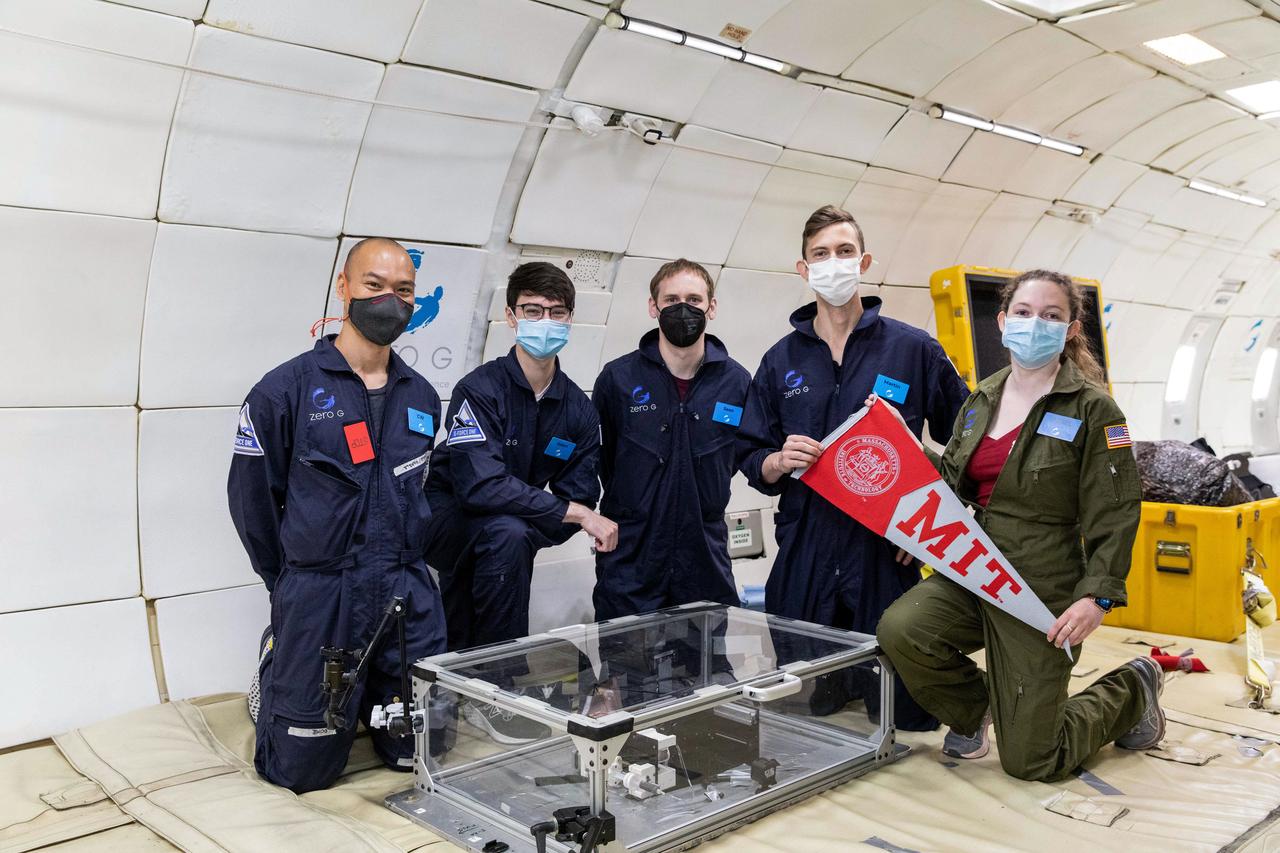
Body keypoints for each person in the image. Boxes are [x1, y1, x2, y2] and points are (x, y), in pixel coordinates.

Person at [876, 268, 1163, 781]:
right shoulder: (981, 398)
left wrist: (1096, 596)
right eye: (1026, 313)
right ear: (1004, 322)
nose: (1037, 325)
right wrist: (904, 445)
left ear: (1071, 329)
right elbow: (955, 480)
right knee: (902, 631)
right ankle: (978, 710)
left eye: (1052, 316)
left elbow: (1116, 510)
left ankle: (1134, 688)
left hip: (1040, 586)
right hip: (975, 567)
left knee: (1033, 761)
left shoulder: (1096, 411)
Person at [737, 205, 970, 729]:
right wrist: (775, 460)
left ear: (864, 261)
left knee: (906, 712)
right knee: (808, 708)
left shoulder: (913, 349)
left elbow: (966, 442)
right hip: (807, 543)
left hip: (887, 547)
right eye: (821, 254)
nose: (834, 263)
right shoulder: (780, 361)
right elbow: (750, 453)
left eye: (844, 252)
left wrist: (930, 527)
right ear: (804, 269)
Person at [228, 238, 446, 794]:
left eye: (403, 291)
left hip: (404, 591)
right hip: (324, 592)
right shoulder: (284, 391)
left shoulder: (421, 396)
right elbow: (253, 504)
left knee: (419, 753)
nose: (389, 301)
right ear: (344, 287)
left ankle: (375, 694)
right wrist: (294, 587)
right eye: (374, 286)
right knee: (301, 771)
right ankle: (278, 665)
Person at [423, 261, 617, 742]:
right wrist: (565, 512)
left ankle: (463, 684)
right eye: (533, 310)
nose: (545, 321)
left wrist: (553, 516)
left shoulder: (577, 409)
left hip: (509, 528)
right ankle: (498, 689)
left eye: (556, 312)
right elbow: (478, 486)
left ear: (570, 320)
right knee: (506, 535)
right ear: (511, 316)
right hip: (446, 518)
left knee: (509, 537)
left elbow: (581, 492)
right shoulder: (478, 391)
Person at [591, 259, 751, 619]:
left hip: (704, 558)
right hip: (631, 559)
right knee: (623, 669)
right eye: (672, 299)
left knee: (709, 669)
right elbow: (599, 459)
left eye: (694, 300)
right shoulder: (618, 379)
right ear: (653, 307)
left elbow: (745, 457)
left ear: (712, 307)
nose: (684, 309)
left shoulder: (737, 383)